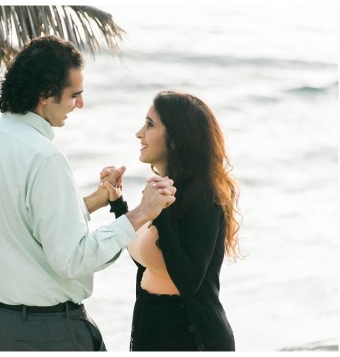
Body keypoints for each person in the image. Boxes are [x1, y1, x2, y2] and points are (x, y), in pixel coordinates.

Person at [0, 35, 175, 351]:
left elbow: (16, 220)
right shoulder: (44, 157)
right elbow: (73, 260)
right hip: (45, 333)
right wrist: (141, 213)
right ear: (46, 95)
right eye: (75, 95)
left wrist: (94, 202)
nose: (81, 104)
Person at [101, 90, 241, 351]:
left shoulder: (203, 199)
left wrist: (160, 216)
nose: (139, 132)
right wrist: (118, 203)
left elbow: (188, 283)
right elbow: (150, 263)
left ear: (176, 140)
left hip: (193, 339)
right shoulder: (162, 192)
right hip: (153, 331)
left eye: (150, 125)